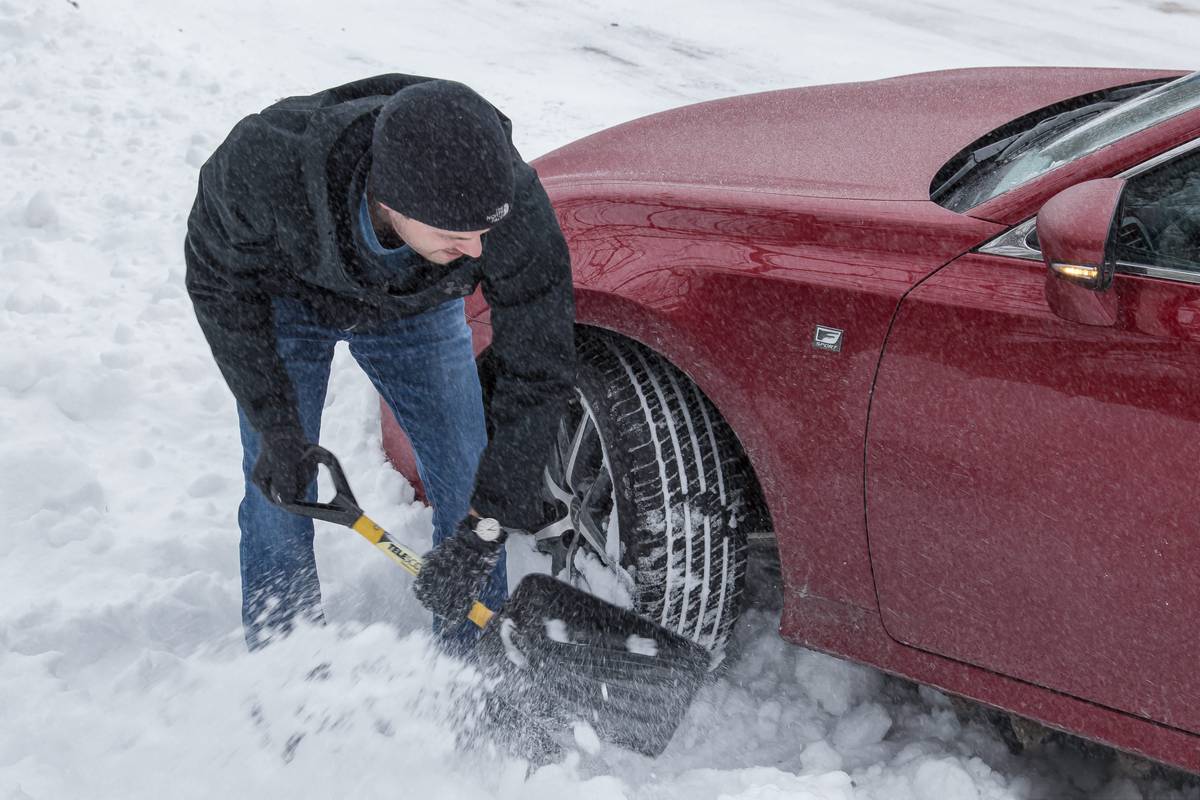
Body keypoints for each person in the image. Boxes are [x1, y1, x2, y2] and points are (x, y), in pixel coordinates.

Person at [183, 74, 576, 652]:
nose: (479, 253)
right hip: (288, 293)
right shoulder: (265, 164)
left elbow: (539, 365)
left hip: (417, 306)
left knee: (469, 472)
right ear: (390, 203)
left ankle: (469, 668)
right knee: (282, 492)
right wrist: (275, 421)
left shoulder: (505, 205)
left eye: (485, 232)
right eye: (454, 234)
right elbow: (217, 282)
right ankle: (286, 664)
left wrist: (486, 526)